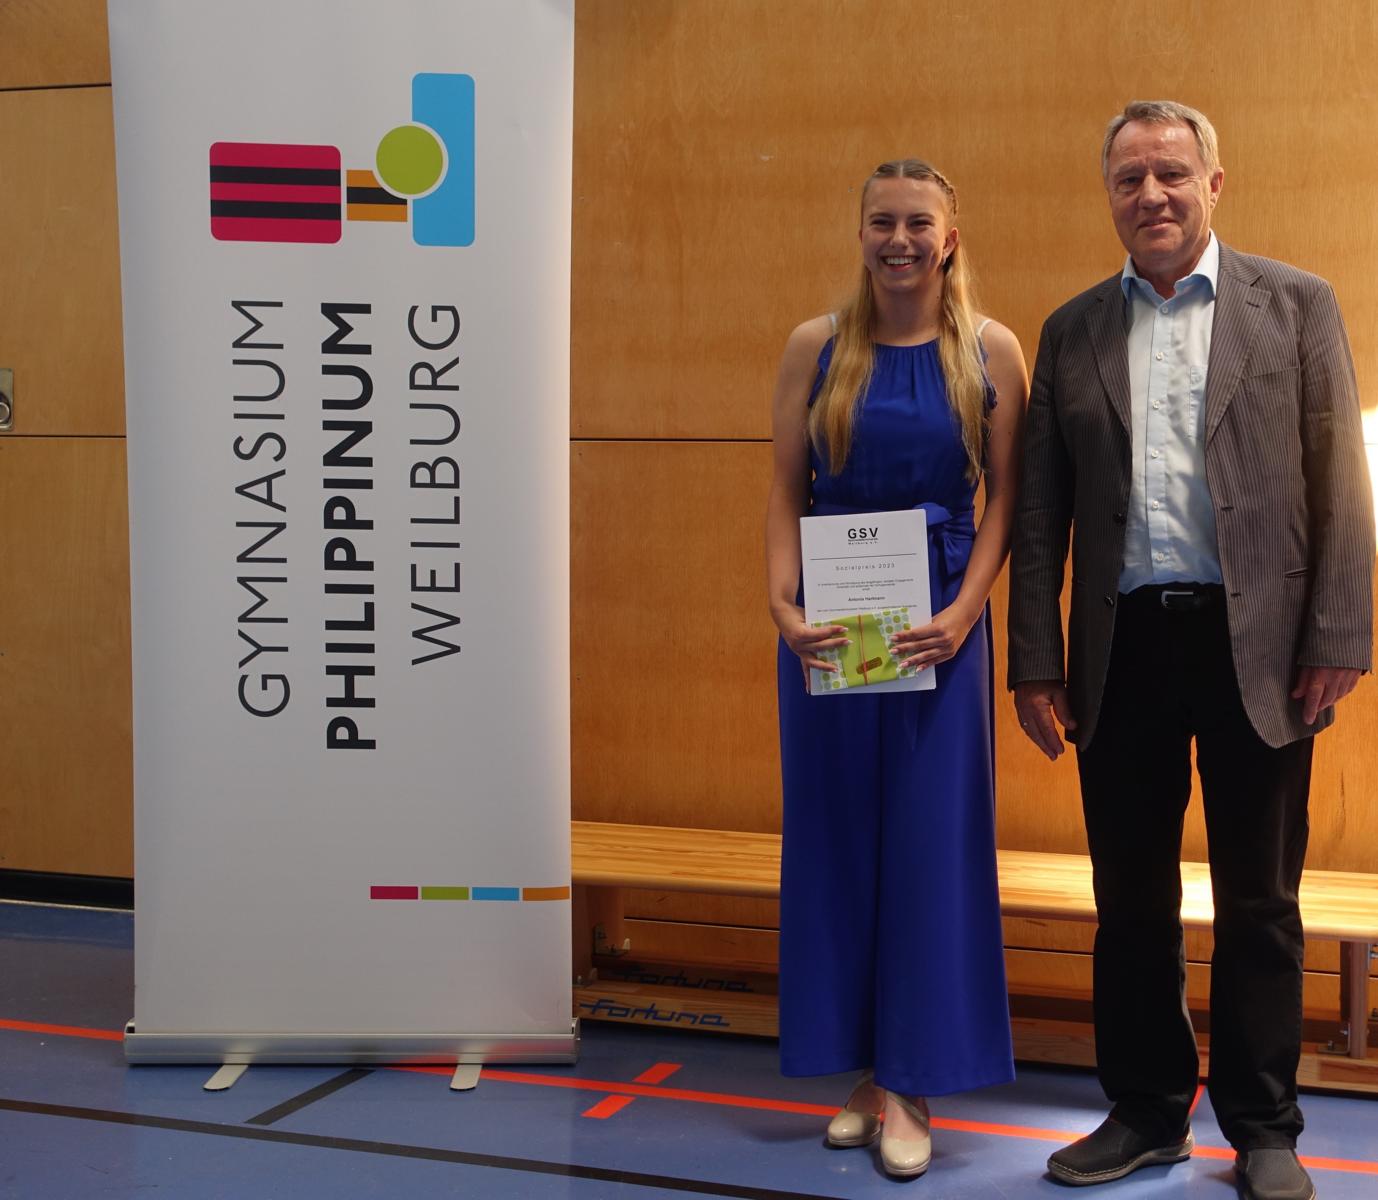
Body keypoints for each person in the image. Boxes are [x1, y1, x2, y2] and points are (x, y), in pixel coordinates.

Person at [1008, 100, 1374, 1200]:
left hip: (1259, 648)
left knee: (1259, 900)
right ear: (1110, 196)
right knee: (1130, 899)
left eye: (1171, 173)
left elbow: (1339, 484)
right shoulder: (1072, 329)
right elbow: (1041, 514)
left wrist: (1339, 635)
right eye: (1129, 178)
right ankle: (1144, 1112)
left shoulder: (1296, 305)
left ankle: (1263, 1127)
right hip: (1121, 651)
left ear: (1214, 183)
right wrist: (1036, 660)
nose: (1151, 195)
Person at [765, 158, 1028, 1179]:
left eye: (919, 222)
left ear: (949, 237)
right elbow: (784, 488)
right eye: (882, 222)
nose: (900, 240)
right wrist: (782, 606)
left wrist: (965, 614)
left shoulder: (990, 349)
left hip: (939, 633)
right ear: (861, 233)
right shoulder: (814, 347)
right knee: (839, 844)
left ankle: (915, 1083)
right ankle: (869, 1074)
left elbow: (1006, 502)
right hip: (831, 636)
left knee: (927, 850)